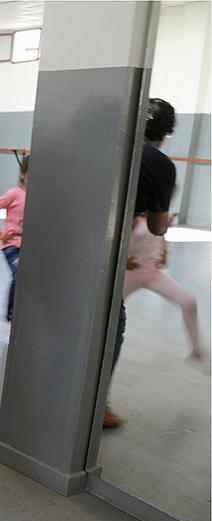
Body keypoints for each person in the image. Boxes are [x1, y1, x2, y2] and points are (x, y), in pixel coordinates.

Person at [106, 98, 179, 429]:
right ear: (165, 133)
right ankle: (97, 403)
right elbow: (157, 227)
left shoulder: (110, 146)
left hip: (64, 239)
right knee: (112, 326)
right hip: (105, 253)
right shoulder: (160, 164)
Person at [124, 214, 204, 359]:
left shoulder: (158, 212)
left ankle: (197, 349)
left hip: (152, 273)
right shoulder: (134, 214)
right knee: (109, 309)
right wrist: (122, 260)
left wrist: (165, 251)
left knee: (189, 302)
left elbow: (160, 233)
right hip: (131, 273)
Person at [0, 155, 28, 322]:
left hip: (28, 246)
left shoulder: (39, 197)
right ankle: (10, 314)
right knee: (19, 275)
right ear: (23, 175)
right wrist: (0, 234)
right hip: (12, 246)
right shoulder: (14, 194)